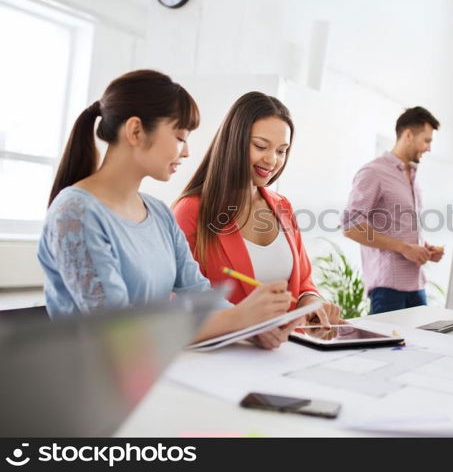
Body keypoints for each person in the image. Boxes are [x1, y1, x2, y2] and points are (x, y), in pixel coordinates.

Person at [38, 70, 302, 346]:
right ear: (135, 131)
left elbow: (199, 294)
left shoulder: (159, 213)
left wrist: (253, 328)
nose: (186, 152)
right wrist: (239, 319)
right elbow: (117, 330)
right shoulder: (74, 213)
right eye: (179, 137)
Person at [173, 91, 343, 345]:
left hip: (283, 356)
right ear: (234, 142)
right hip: (224, 361)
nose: (272, 160)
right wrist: (246, 329)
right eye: (261, 146)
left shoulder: (282, 207)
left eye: (282, 151)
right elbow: (175, 299)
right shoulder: (191, 211)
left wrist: (312, 305)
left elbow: (304, 281)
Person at [342, 106, 445, 314]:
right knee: (387, 347)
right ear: (408, 135)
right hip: (388, 289)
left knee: (424, 345)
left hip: (416, 285)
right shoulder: (374, 172)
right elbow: (350, 226)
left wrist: (423, 249)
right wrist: (404, 248)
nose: (429, 148)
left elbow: (400, 230)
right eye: (426, 140)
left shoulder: (412, 177)